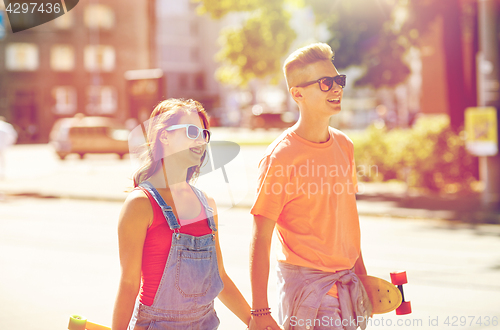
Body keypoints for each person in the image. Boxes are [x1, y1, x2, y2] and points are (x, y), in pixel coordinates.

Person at [249, 43, 372, 330]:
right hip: (309, 295)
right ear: (298, 94)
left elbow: (347, 219)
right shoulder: (279, 157)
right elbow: (261, 238)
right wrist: (259, 311)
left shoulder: (344, 145)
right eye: (325, 83)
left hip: (348, 289)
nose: (336, 89)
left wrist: (363, 277)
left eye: (338, 80)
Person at [112, 99, 256, 330]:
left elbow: (218, 276)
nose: (200, 140)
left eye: (204, 133)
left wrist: (253, 320)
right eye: (191, 131)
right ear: (164, 136)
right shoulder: (140, 204)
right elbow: (129, 283)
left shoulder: (207, 203)